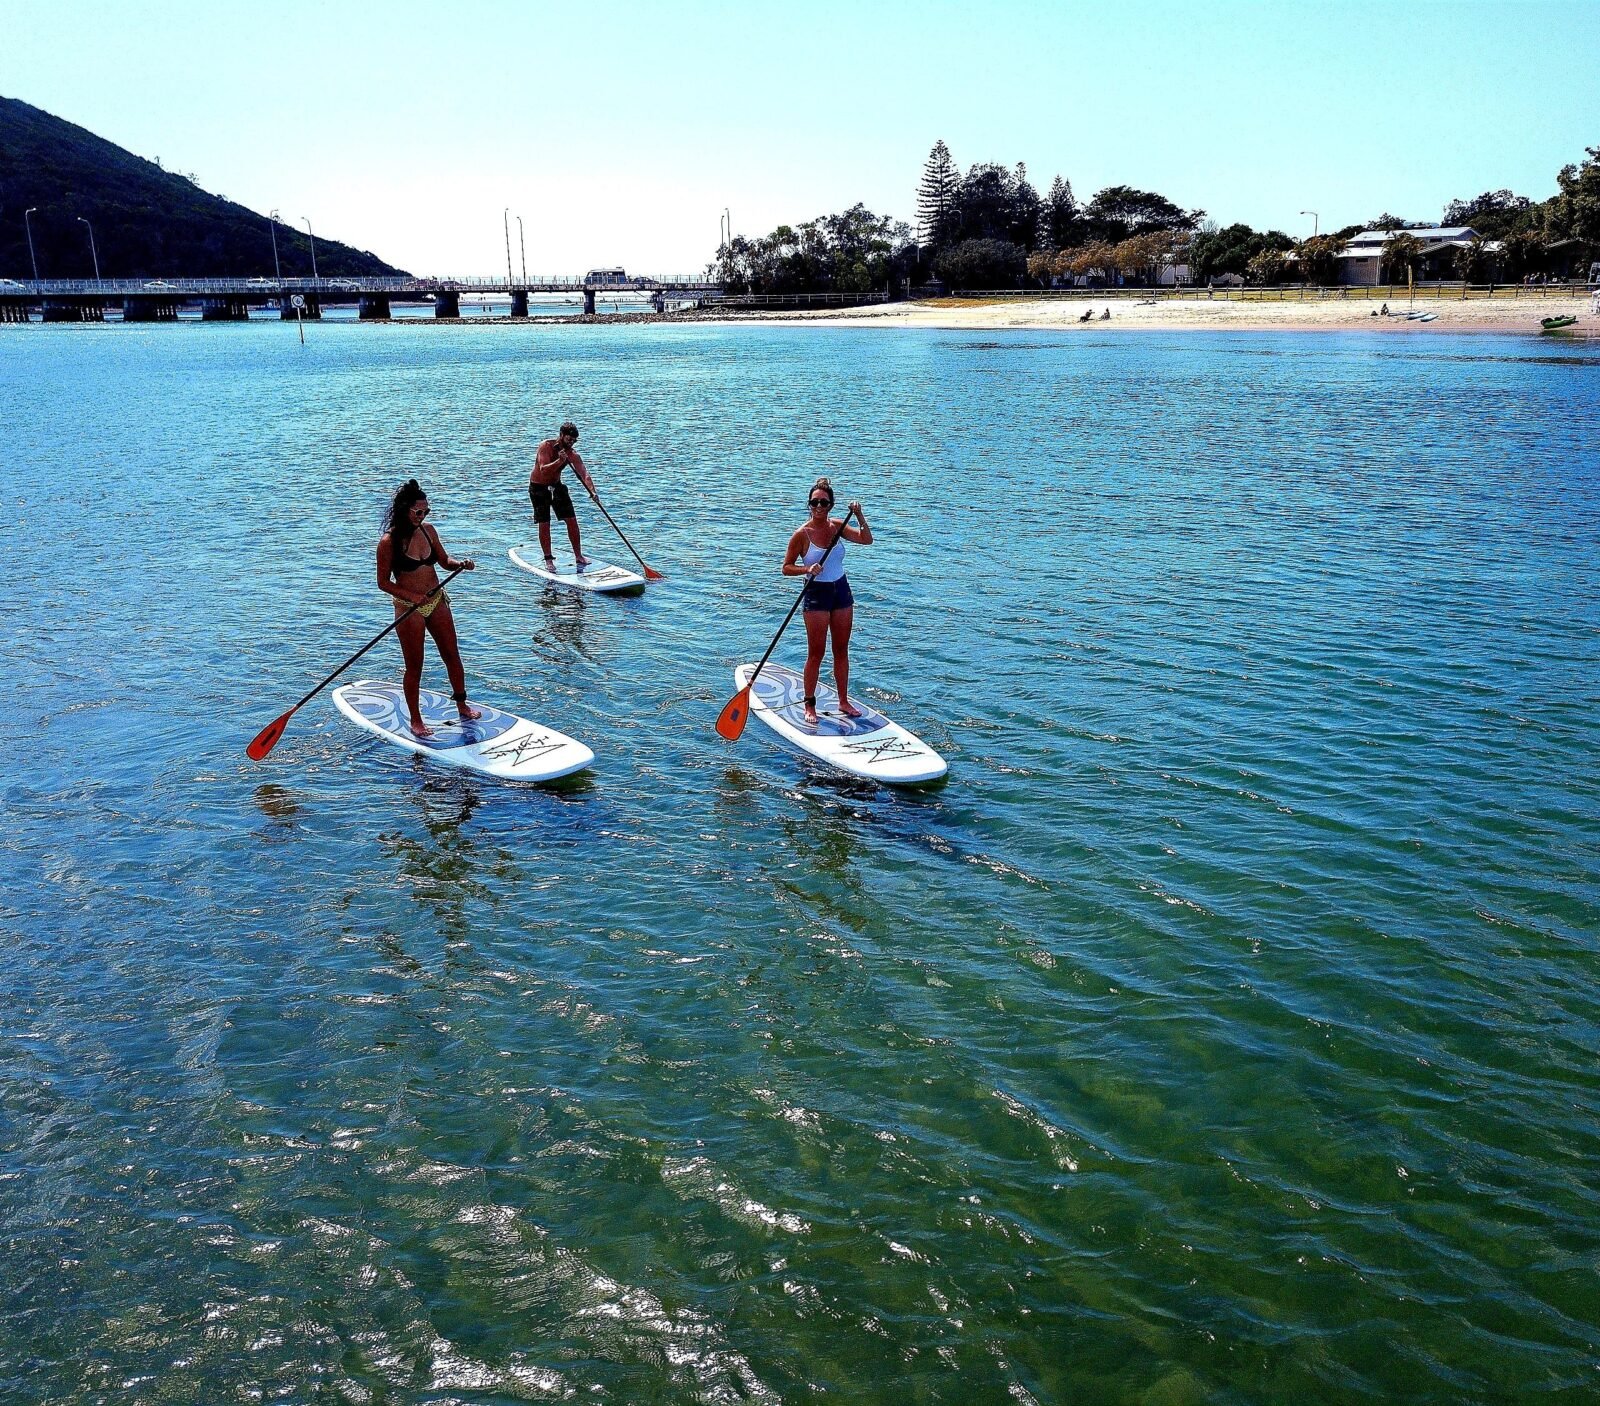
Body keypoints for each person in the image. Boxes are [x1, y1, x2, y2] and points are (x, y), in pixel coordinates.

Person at [377, 479, 479, 738]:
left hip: (436, 601)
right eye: (418, 512)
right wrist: (412, 596)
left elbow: (444, 561)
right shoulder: (389, 542)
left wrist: (460, 564)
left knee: (452, 655)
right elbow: (383, 583)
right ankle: (416, 720)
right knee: (415, 666)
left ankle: (462, 705)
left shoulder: (428, 531)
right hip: (408, 608)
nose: (422, 516)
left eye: (426, 512)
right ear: (404, 510)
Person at [782, 476, 873, 726]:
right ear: (809, 505)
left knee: (841, 650)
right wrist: (806, 569)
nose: (819, 508)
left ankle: (843, 701)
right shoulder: (801, 535)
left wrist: (859, 516)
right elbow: (786, 568)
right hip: (816, 595)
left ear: (831, 505)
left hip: (841, 591)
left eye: (824, 503)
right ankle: (809, 704)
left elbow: (867, 539)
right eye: (814, 503)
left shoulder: (836, 526)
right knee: (816, 653)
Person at [529, 421, 596, 571]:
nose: (571, 444)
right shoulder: (546, 446)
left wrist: (592, 491)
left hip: (557, 486)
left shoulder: (572, 454)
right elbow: (543, 469)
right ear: (561, 436)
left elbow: (584, 473)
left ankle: (578, 555)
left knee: (572, 519)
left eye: (573, 441)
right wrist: (559, 461)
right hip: (539, 488)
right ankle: (548, 559)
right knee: (544, 522)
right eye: (568, 440)